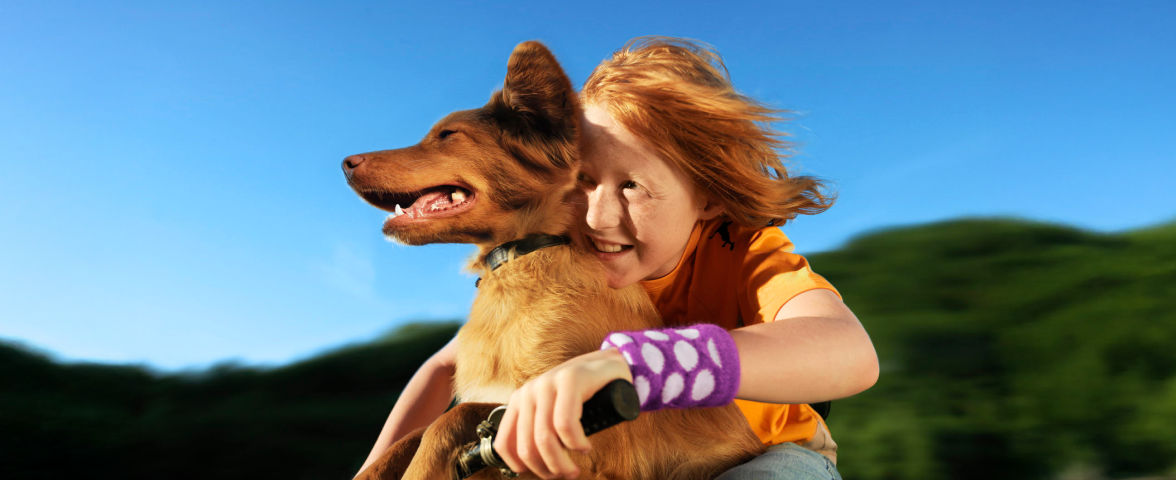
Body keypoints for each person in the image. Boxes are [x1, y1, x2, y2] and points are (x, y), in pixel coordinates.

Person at [359, 37, 878, 480]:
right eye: (583, 181)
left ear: (709, 197)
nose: (598, 218)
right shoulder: (565, 255)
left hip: (765, 450)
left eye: (633, 186)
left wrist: (632, 363)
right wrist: (381, 463)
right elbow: (444, 364)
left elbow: (849, 352)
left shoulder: (741, 250)